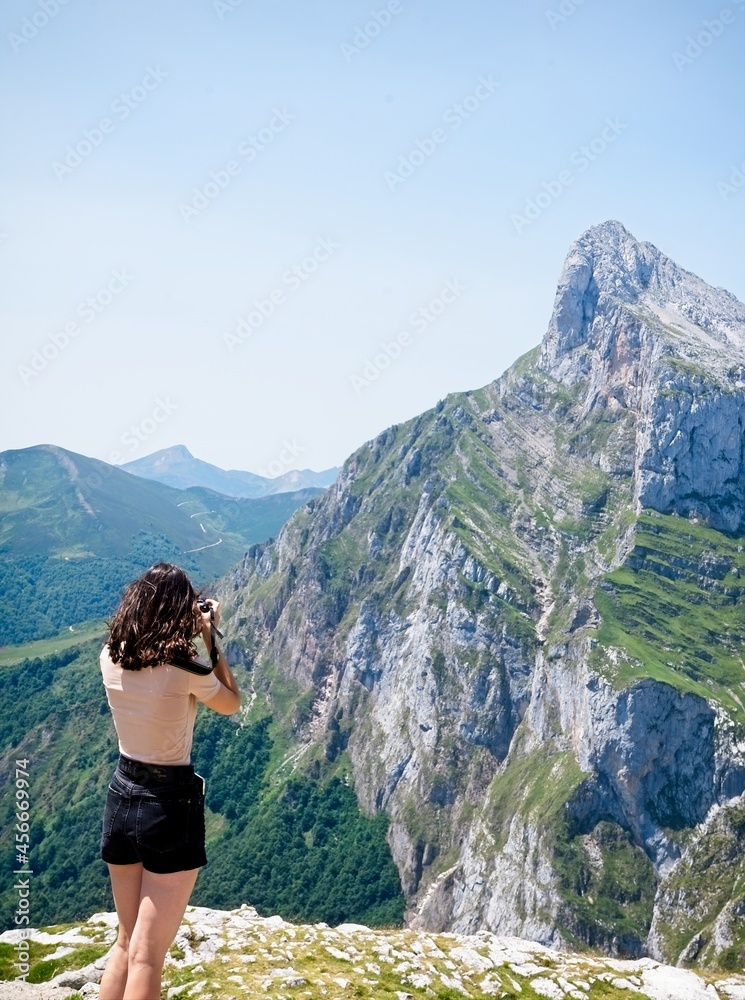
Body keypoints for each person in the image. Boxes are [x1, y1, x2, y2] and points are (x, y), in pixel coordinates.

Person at [97, 562, 241, 1000]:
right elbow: (232, 702)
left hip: (121, 797)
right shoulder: (184, 668)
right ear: (180, 609)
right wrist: (210, 636)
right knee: (148, 956)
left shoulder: (109, 654)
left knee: (125, 942)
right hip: (167, 803)